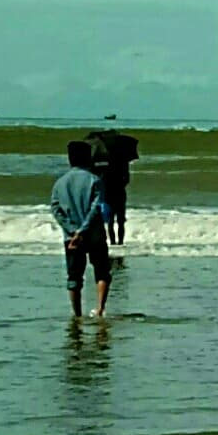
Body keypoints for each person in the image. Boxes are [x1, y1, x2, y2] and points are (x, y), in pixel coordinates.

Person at [51, 138, 113, 318]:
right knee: (102, 271)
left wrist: (72, 231)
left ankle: (77, 314)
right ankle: (100, 308)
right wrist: (83, 230)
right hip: (94, 235)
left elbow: (55, 209)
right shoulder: (94, 180)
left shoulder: (60, 183)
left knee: (74, 278)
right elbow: (96, 207)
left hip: (70, 238)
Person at [90, 129, 136, 246]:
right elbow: (127, 179)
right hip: (120, 193)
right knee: (121, 221)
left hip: (108, 194)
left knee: (110, 221)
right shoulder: (123, 162)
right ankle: (120, 242)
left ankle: (113, 243)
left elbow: (99, 176)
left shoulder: (106, 161)